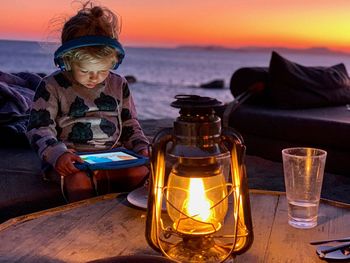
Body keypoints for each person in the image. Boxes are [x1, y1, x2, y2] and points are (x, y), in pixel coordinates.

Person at [26, 1, 149, 202]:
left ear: (113, 62)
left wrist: (141, 147)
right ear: (67, 61)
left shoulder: (118, 84)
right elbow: (38, 128)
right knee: (79, 182)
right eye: (85, 71)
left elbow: (129, 124)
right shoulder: (52, 85)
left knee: (140, 173)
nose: (94, 77)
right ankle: (85, 227)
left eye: (102, 70)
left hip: (112, 155)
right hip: (69, 158)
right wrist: (57, 154)